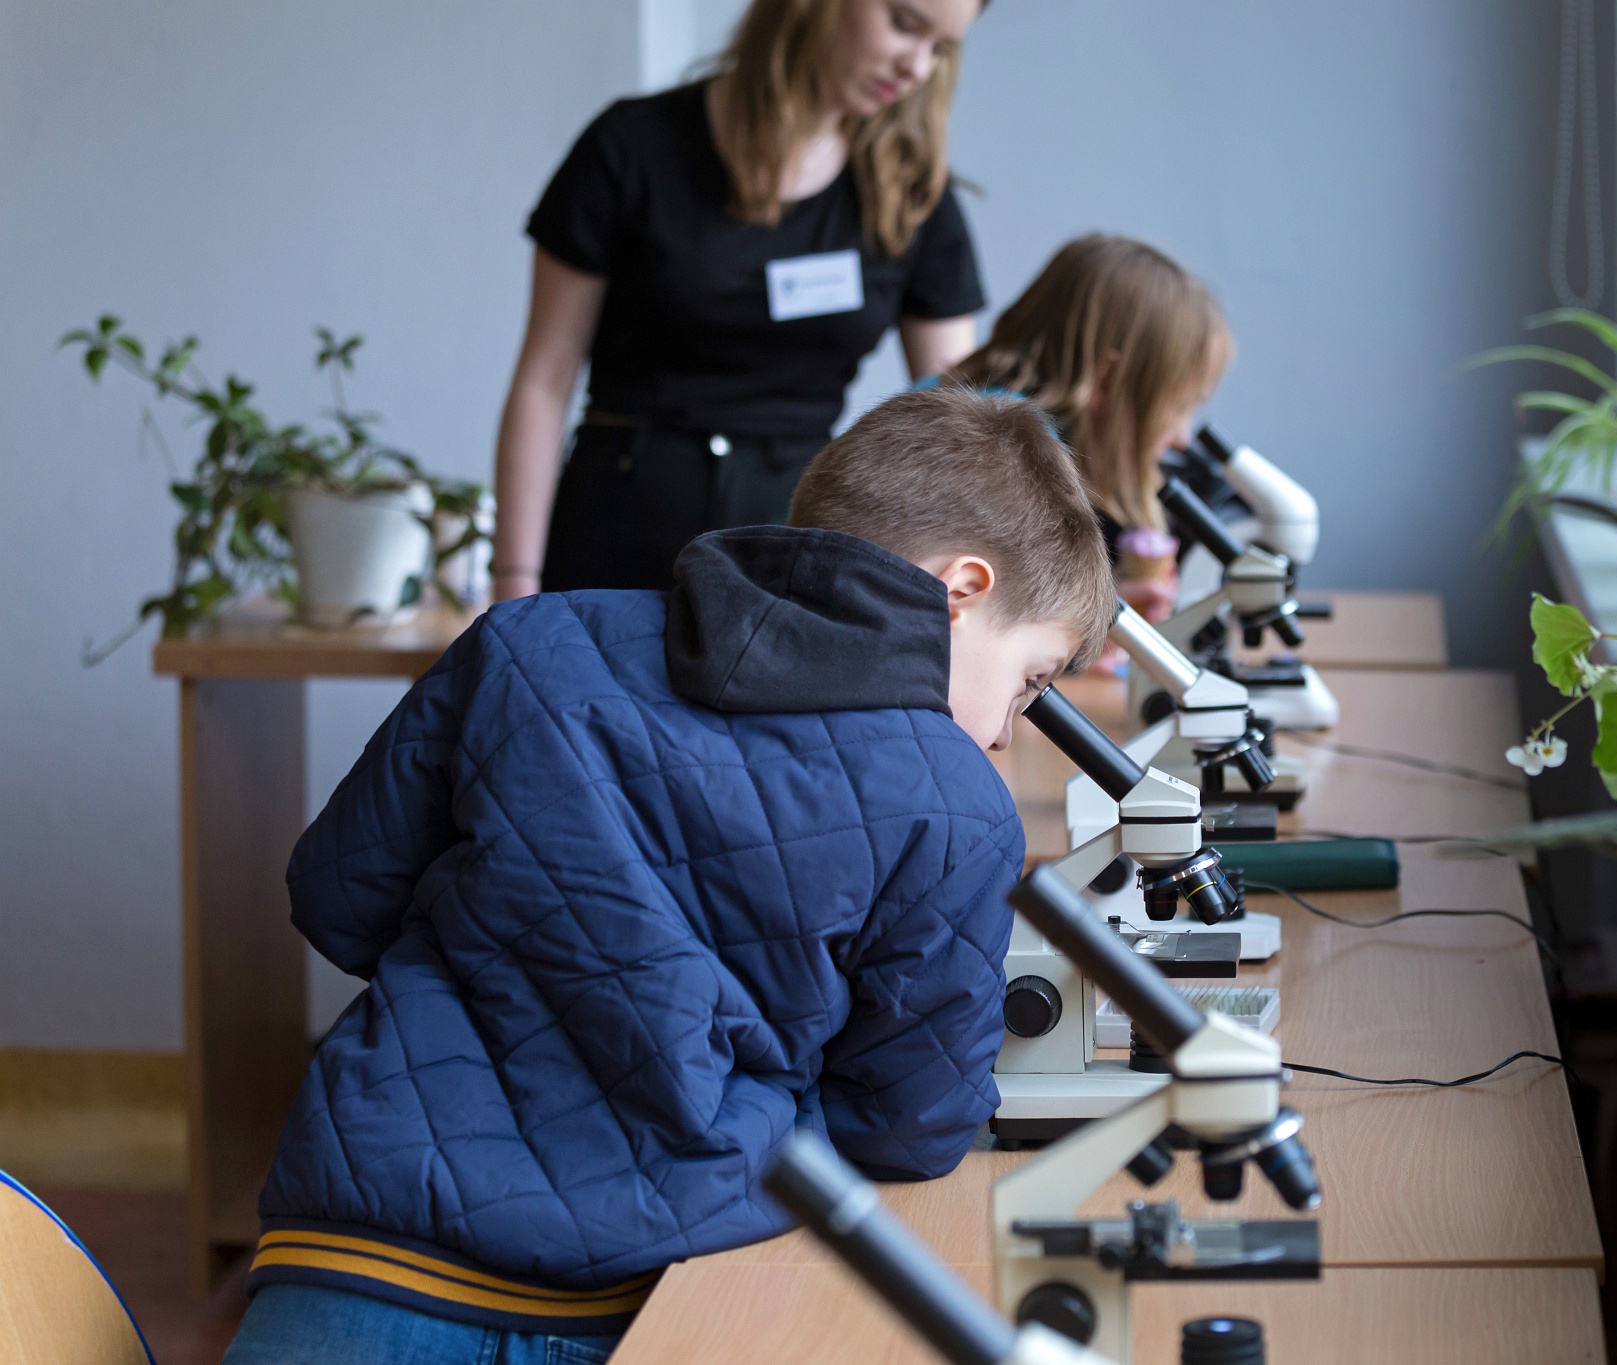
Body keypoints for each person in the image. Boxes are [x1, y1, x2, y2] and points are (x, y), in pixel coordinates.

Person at [221, 388, 1116, 1364]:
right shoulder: (955, 804)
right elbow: (907, 1130)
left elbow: (337, 897)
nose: (999, 731)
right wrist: (755, 1095)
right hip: (635, 1306)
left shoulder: (527, 641)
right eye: (1029, 680)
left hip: (351, 1259)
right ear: (962, 587)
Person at [494, 0, 988, 602]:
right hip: (611, 545)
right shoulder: (631, 145)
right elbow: (544, 383)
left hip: (792, 565)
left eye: (941, 48)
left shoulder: (915, 199)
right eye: (905, 24)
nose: (917, 67)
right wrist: (514, 579)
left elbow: (959, 431)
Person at [949, 234, 1234, 627]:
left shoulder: (955, 413)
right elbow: (975, 629)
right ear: (1107, 380)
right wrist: (1089, 629)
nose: (1182, 439)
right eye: (1177, 407)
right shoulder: (1004, 465)